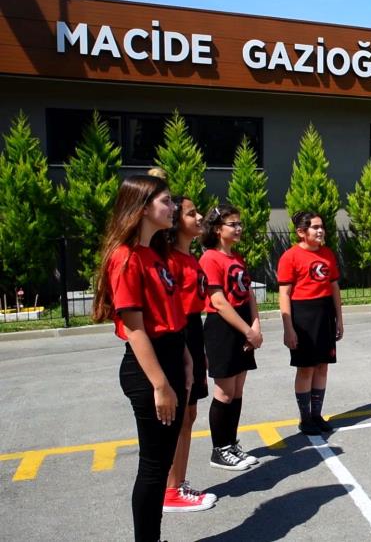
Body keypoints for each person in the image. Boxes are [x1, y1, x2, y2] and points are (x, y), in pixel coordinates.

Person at [92, 175, 192, 541]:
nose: (173, 207)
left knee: (161, 463)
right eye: (166, 201)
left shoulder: (156, 253)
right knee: (153, 467)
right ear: (143, 207)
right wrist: (161, 385)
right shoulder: (126, 257)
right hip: (150, 369)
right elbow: (135, 329)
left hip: (171, 357)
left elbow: (169, 313)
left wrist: (185, 358)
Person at [163, 196, 217, 512]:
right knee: (180, 417)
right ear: (175, 221)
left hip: (193, 332)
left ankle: (178, 484)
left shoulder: (190, 257)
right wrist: (186, 352)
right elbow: (172, 311)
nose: (199, 218)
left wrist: (200, 352)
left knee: (190, 415)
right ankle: (171, 490)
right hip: (179, 334)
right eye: (191, 213)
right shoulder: (169, 260)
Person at [199, 204, 263, 471]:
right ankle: (220, 449)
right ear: (217, 229)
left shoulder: (237, 257)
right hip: (223, 328)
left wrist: (255, 326)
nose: (238, 228)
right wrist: (247, 331)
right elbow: (218, 301)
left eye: (239, 223)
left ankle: (231, 443)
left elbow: (248, 294)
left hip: (243, 324)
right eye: (232, 224)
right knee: (224, 392)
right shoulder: (210, 258)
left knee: (237, 390)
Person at [277, 212, 344, 435]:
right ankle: (305, 418)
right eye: (315, 227)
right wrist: (288, 328)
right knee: (306, 368)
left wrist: (339, 319)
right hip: (303, 317)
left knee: (322, 366)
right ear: (301, 232)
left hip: (325, 314)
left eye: (321, 226)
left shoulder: (327, 254)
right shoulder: (290, 257)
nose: (320, 230)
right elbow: (284, 294)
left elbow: (334, 287)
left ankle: (316, 414)